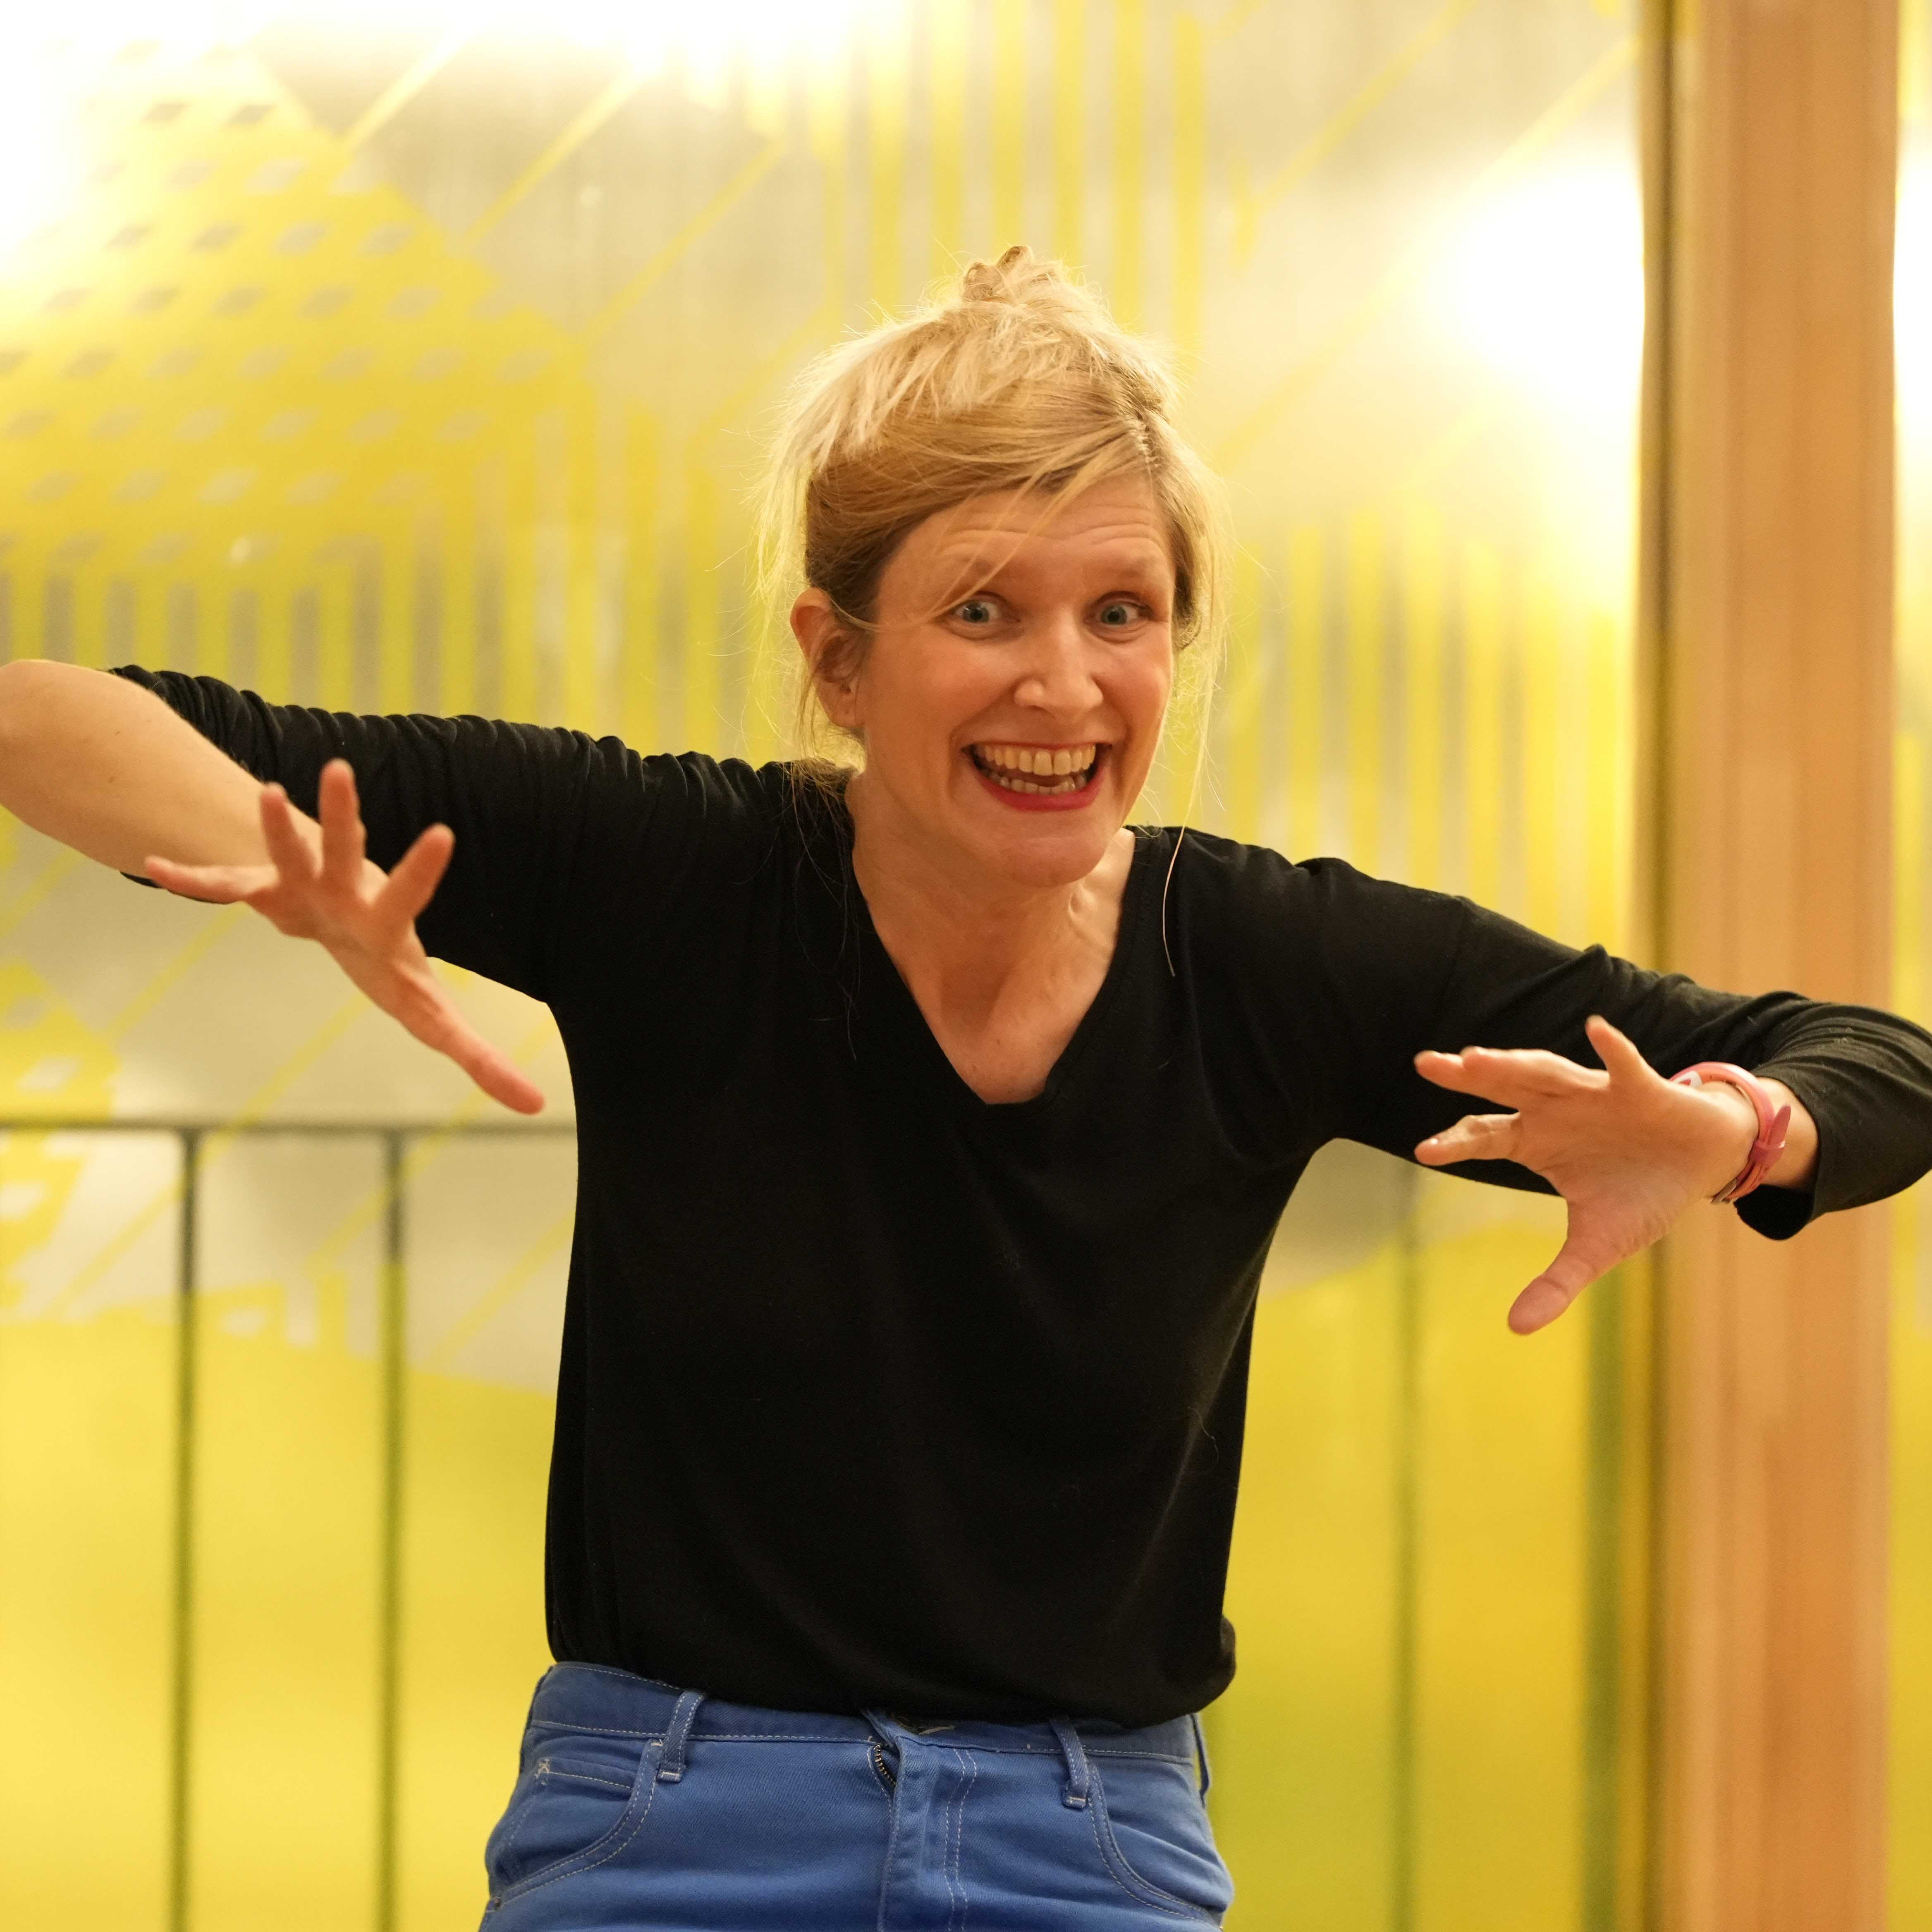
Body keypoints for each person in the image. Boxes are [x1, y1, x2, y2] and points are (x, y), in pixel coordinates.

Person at [3, 246, 1930, 1931]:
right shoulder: (677, 874)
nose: (1063, 684)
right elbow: (44, 716)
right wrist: (272, 869)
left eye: (1122, 614)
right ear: (838, 661)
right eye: (984, 612)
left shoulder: (1266, 957)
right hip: (671, 1812)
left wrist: (1737, 1129)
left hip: (1086, 1840)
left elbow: (1876, 1062)